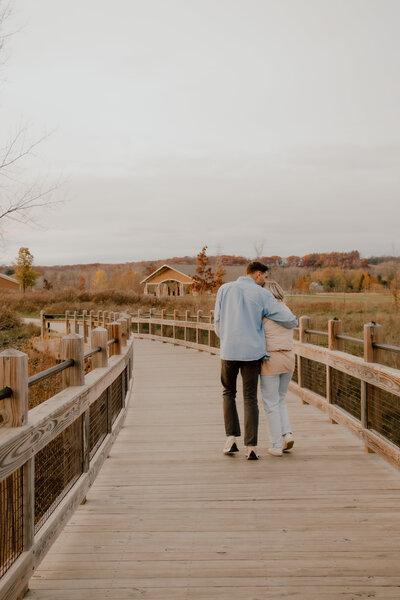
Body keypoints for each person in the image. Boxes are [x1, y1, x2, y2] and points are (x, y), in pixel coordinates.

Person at [214, 261, 298, 460]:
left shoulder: (224, 289)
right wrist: (294, 321)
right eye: (265, 277)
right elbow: (283, 316)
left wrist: (226, 340)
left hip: (229, 351)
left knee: (228, 393)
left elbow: (217, 322)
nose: (265, 280)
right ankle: (251, 447)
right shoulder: (262, 294)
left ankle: (231, 439)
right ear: (258, 274)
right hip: (252, 353)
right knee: (250, 397)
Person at [260, 280, 296, 457]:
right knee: (280, 399)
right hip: (289, 357)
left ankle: (275, 445)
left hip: (271, 358)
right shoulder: (287, 311)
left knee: (270, 402)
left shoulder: (266, 312)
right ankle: (287, 433)